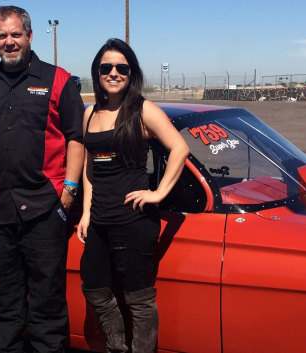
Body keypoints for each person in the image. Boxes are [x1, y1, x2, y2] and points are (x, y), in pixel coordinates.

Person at [0, 5, 84, 353]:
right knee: (5, 305)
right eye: (2, 36)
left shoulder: (58, 80)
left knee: (47, 306)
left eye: (15, 34)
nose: (9, 42)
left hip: (45, 209)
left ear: (29, 35)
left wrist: (69, 190)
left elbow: (76, 137)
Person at [76, 38, 189, 353]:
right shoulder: (90, 114)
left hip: (133, 221)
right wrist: (86, 213)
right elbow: (89, 171)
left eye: (121, 68)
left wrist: (158, 192)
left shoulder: (143, 109)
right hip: (99, 219)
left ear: (131, 72)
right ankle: (117, 347)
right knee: (95, 289)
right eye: (106, 68)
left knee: (138, 298)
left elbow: (179, 148)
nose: (113, 73)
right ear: (97, 73)